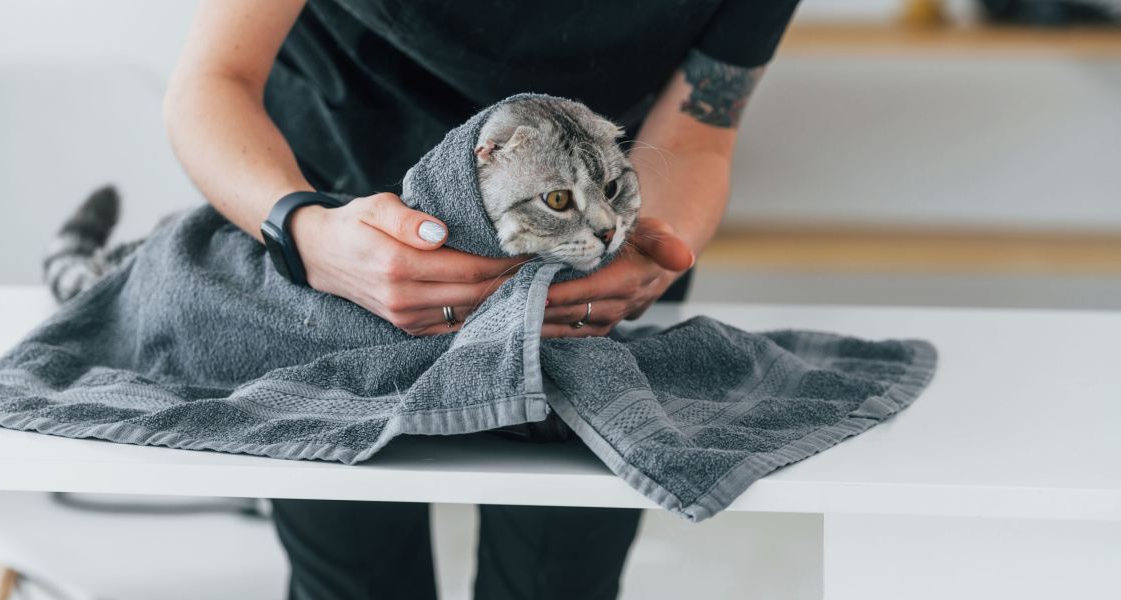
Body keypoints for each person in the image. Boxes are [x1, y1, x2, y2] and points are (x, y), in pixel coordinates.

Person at [163, 1, 800, 598]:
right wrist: (304, 232)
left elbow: (695, 136)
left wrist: (647, 256)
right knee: (354, 578)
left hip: (595, 262)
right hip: (331, 235)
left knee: (558, 580)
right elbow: (214, 80)